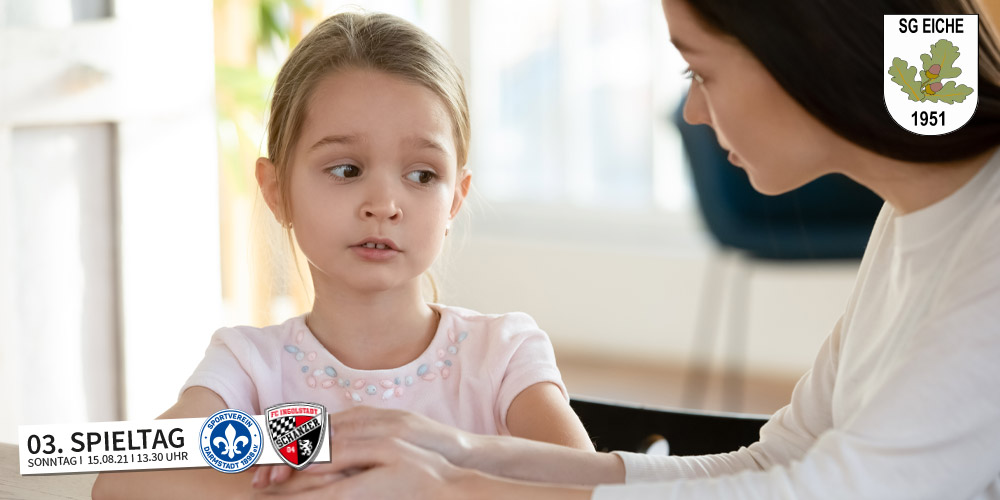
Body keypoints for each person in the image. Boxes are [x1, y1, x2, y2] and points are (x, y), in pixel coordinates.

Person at [249, 0, 1000, 498]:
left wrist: (454, 485)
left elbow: (818, 493)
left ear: (801, 52)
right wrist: (461, 451)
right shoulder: (912, 221)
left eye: (698, 69)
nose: (694, 112)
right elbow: (775, 462)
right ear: (276, 189)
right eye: (345, 168)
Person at [92, 11, 593, 499]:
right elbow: (120, 477)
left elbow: (593, 488)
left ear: (455, 200)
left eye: (422, 175)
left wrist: (440, 482)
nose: (384, 205)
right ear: (276, 190)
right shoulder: (249, 368)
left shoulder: (502, 356)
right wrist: (280, 487)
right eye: (347, 169)